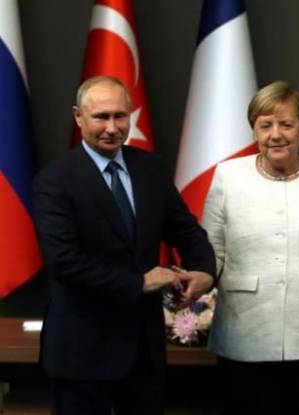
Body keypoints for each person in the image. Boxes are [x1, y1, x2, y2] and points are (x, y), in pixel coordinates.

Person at [33, 75, 216, 415]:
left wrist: (205, 270)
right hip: (82, 353)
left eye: (120, 116)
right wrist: (140, 282)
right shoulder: (54, 180)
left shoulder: (151, 168)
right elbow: (64, 262)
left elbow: (186, 230)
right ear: (78, 117)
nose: (112, 127)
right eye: (101, 117)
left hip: (143, 353)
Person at [202, 81, 299, 415]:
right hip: (245, 334)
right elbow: (212, 252)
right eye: (265, 125)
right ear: (254, 130)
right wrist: (195, 283)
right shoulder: (228, 175)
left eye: (286, 124)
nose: (275, 135)